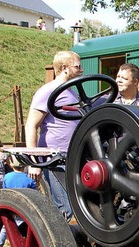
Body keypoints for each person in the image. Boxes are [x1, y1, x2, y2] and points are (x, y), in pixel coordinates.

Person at [25, 50, 83, 222]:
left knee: (76, 205)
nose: (81, 70)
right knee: (65, 208)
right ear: (64, 68)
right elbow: (31, 125)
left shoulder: (72, 92)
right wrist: (34, 162)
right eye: (77, 66)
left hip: (71, 156)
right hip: (55, 159)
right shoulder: (48, 91)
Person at [0, 155, 37, 246]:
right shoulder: (29, 179)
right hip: (24, 208)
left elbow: (4, 190)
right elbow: (35, 195)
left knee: (5, 227)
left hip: (10, 205)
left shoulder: (7, 177)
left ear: (11, 164)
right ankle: (27, 245)